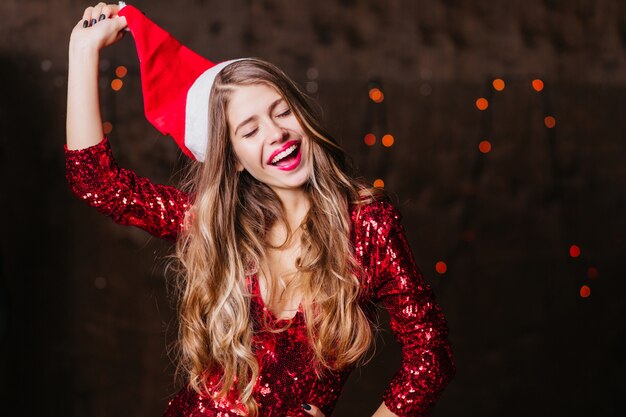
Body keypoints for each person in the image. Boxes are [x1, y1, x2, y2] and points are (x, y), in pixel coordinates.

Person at [65, 3, 455, 417]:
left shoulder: (367, 226)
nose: (277, 132)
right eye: (250, 130)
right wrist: (83, 51)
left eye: (283, 111)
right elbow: (96, 182)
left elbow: (431, 355)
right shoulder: (216, 222)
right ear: (232, 158)